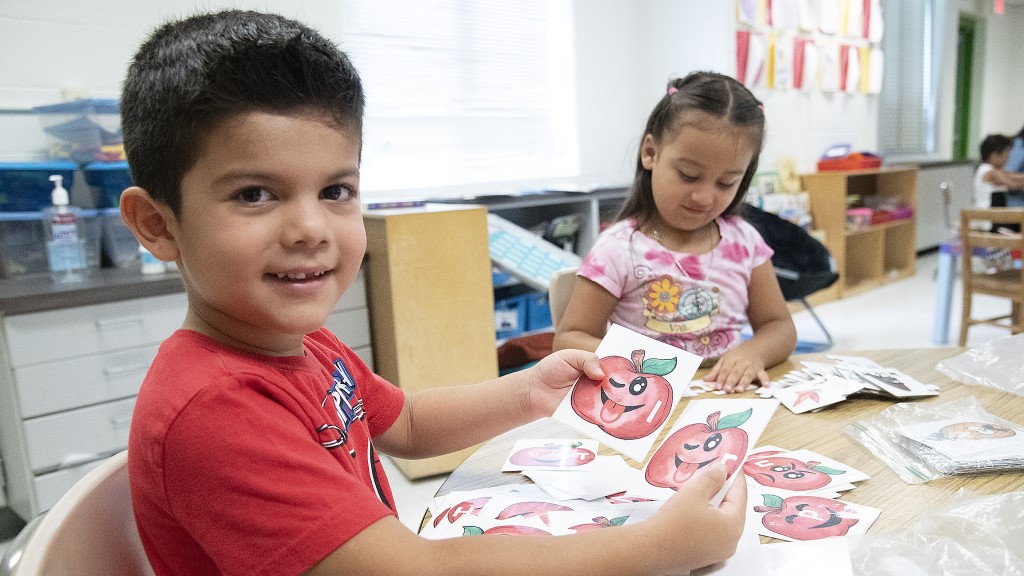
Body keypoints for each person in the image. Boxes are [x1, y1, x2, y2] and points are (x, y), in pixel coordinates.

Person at [119, 11, 746, 576]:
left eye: (335, 191)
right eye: (254, 194)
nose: (310, 230)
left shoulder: (302, 343)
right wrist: (661, 546)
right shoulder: (215, 412)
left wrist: (530, 390)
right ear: (158, 223)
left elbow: (408, 423)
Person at [553, 72, 796, 394]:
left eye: (726, 183)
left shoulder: (744, 242)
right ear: (650, 153)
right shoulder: (618, 248)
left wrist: (752, 352)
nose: (704, 197)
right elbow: (570, 337)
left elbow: (779, 327)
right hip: (642, 396)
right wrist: (643, 366)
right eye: (689, 175)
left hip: (724, 398)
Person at [975, 134, 1024, 211]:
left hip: (993, 211)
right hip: (987, 215)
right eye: (1006, 153)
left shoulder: (992, 170)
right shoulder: (989, 171)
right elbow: (1013, 185)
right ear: (995, 155)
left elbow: (1010, 175)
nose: (1008, 157)